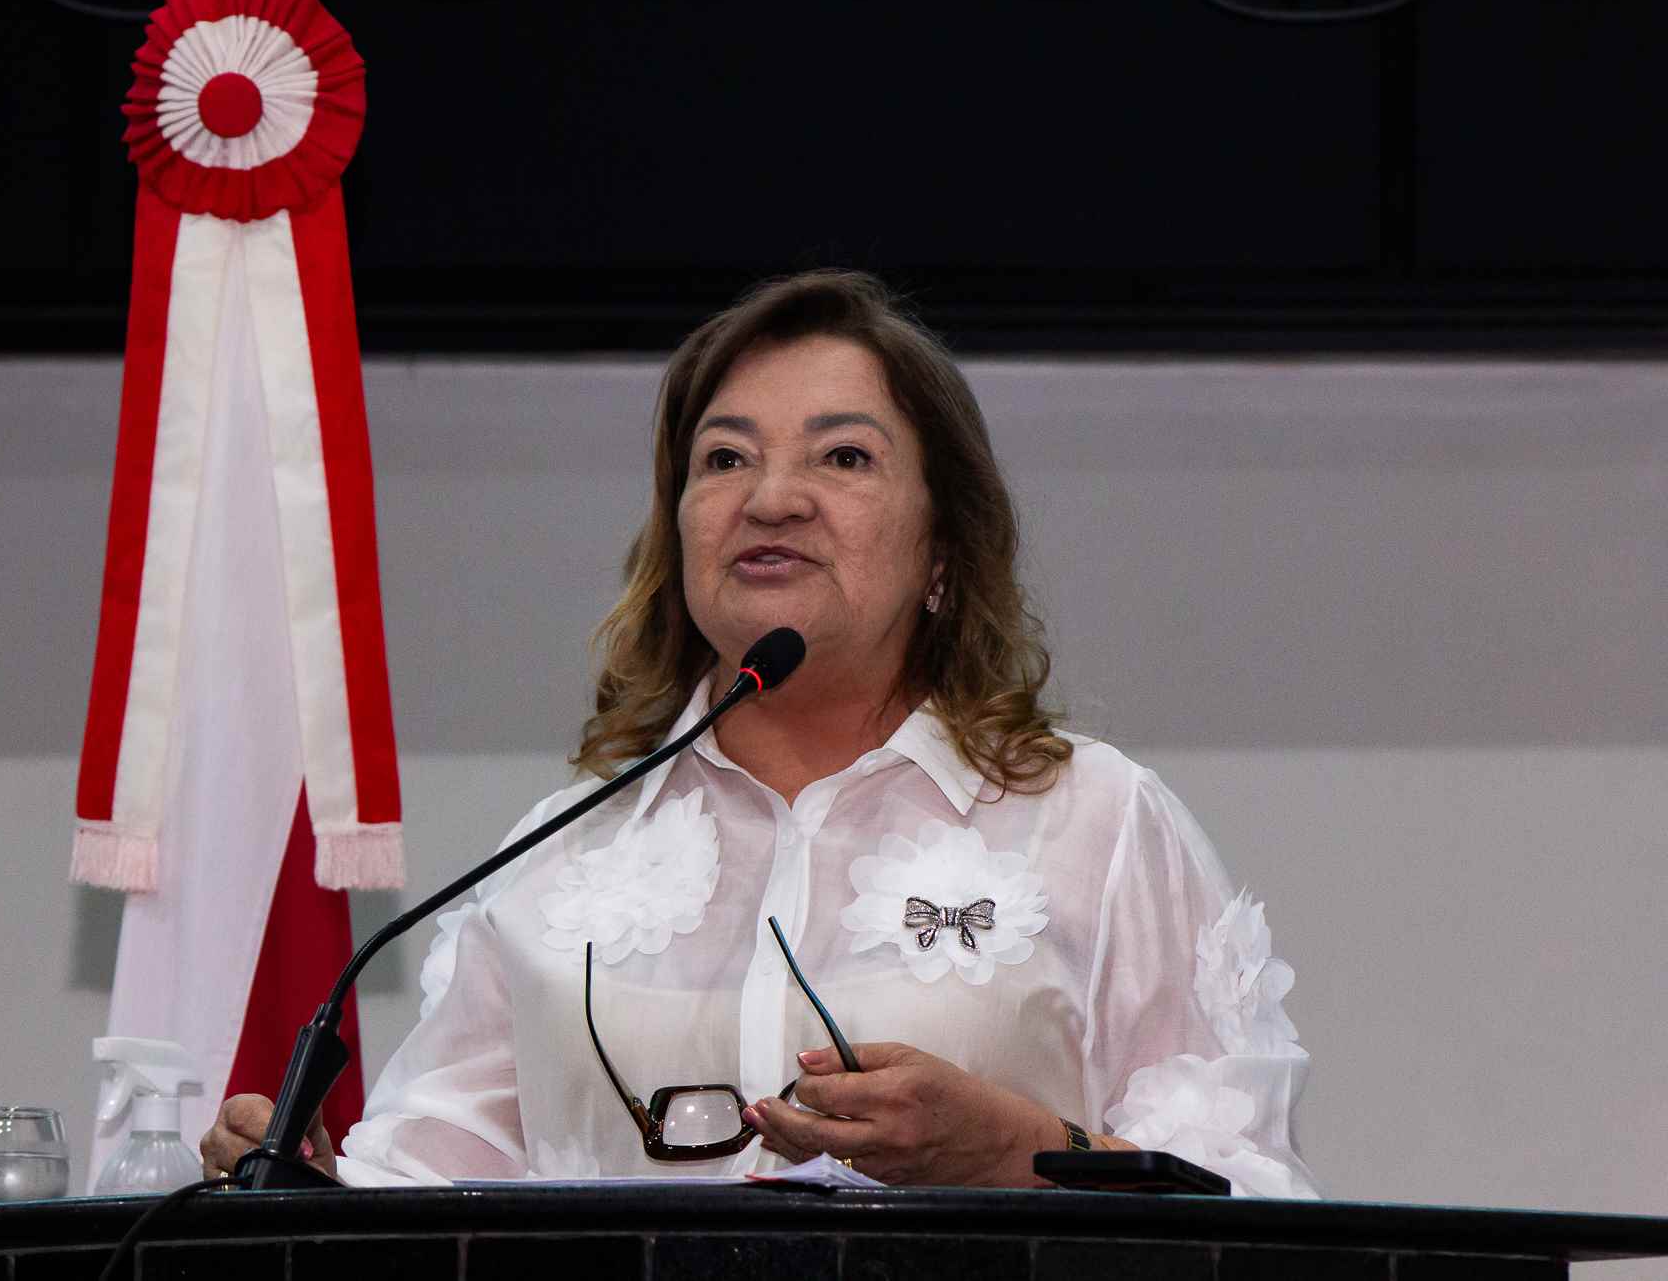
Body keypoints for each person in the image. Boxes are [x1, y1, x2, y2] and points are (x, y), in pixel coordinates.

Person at [202, 269, 1318, 1196]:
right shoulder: (560, 854)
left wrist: (1011, 1153)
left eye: (843, 457)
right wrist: (307, 1184)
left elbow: (1251, 1202)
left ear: (941, 552)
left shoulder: (1095, 825)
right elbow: (423, 1192)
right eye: (725, 458)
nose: (770, 497)